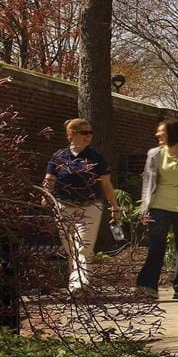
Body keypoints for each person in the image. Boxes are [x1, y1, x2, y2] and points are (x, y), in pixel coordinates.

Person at [41, 118, 121, 293]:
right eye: (84, 132)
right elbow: (49, 180)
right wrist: (45, 197)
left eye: (90, 132)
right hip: (63, 207)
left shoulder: (97, 158)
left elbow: (106, 185)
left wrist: (115, 207)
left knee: (83, 247)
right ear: (71, 135)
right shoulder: (59, 157)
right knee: (70, 248)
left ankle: (79, 285)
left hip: (90, 207)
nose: (88, 136)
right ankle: (76, 285)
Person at [137, 118, 178, 300]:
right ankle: (148, 286)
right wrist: (145, 209)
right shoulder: (154, 154)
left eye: (162, 132)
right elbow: (147, 183)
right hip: (158, 207)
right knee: (156, 246)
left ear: (173, 134)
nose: (157, 135)